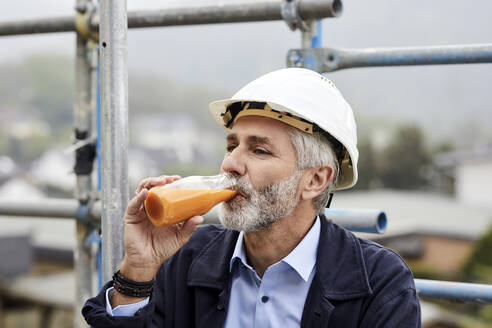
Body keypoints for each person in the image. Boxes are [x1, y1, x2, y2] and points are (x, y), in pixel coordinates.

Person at [83, 68, 421, 327]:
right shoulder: (183, 257)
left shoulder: (380, 283)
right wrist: (140, 269)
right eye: (232, 146)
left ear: (316, 179)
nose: (230, 163)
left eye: (258, 150)